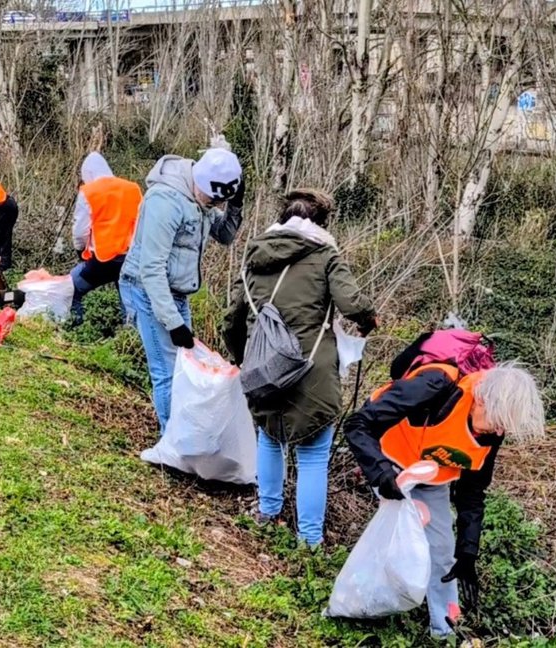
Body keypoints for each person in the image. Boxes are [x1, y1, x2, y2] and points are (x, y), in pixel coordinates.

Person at [343, 359, 545, 637]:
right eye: (498, 422)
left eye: (504, 427)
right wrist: (380, 472)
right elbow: (357, 424)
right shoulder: (434, 386)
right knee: (405, 534)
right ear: (481, 400)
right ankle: (364, 602)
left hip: (431, 474)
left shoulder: (492, 429)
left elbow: (472, 491)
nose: (499, 432)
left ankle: (446, 631)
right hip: (390, 462)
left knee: (442, 549)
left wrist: (468, 550)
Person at [222, 189, 378, 549]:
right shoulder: (325, 254)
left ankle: (267, 513)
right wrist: (369, 319)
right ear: (322, 222)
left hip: (264, 364)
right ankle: (309, 540)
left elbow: (234, 315)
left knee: (270, 435)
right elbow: (350, 302)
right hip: (311, 368)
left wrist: (241, 356)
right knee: (311, 455)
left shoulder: (256, 252)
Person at [119, 142, 245, 434]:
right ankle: (171, 442)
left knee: (182, 368)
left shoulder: (202, 200)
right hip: (147, 290)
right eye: (212, 201)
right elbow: (151, 270)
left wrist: (236, 205)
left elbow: (225, 236)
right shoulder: (165, 201)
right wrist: (174, 323)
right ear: (199, 183)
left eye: (219, 203)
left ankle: (182, 436)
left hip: (177, 293)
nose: (214, 207)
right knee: (167, 372)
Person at [70, 152, 143, 322]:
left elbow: (80, 230)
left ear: (87, 174)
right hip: (131, 259)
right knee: (131, 306)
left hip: (102, 260)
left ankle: (75, 328)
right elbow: (142, 223)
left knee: (71, 289)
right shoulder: (133, 188)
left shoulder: (88, 191)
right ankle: (128, 342)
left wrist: (80, 249)